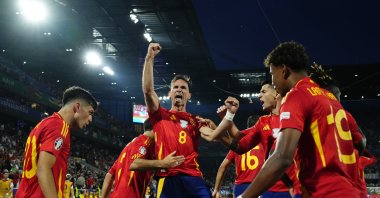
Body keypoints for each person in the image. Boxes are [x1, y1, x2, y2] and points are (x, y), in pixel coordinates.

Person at [237, 41, 360, 197]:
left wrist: (244, 196)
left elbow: (282, 157)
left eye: (272, 74)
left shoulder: (297, 95)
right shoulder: (329, 97)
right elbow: (360, 142)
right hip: (349, 190)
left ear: (284, 70)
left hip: (323, 191)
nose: (273, 82)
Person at [201, 81, 301, 198]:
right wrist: (229, 116)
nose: (259, 95)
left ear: (276, 93)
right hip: (267, 190)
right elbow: (239, 143)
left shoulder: (295, 115)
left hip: (293, 189)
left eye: (263, 91)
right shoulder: (262, 122)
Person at [142, 43, 212, 198]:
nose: (179, 89)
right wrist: (150, 58)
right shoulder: (160, 115)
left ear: (189, 95)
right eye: (176, 87)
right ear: (170, 93)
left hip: (193, 177)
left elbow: (211, 136)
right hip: (168, 177)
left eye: (183, 88)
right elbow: (148, 91)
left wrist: (227, 118)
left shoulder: (196, 120)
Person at [16, 86, 98, 198]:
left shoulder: (44, 124)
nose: (90, 119)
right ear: (77, 107)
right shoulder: (59, 126)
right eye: (90, 112)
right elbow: (43, 168)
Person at [100, 119, 185, 198]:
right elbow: (134, 164)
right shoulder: (144, 141)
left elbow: (109, 175)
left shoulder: (129, 147)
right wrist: (163, 163)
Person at [212, 115, 266, 198]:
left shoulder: (238, 146)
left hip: (240, 187)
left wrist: (216, 189)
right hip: (258, 185)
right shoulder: (263, 142)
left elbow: (222, 167)